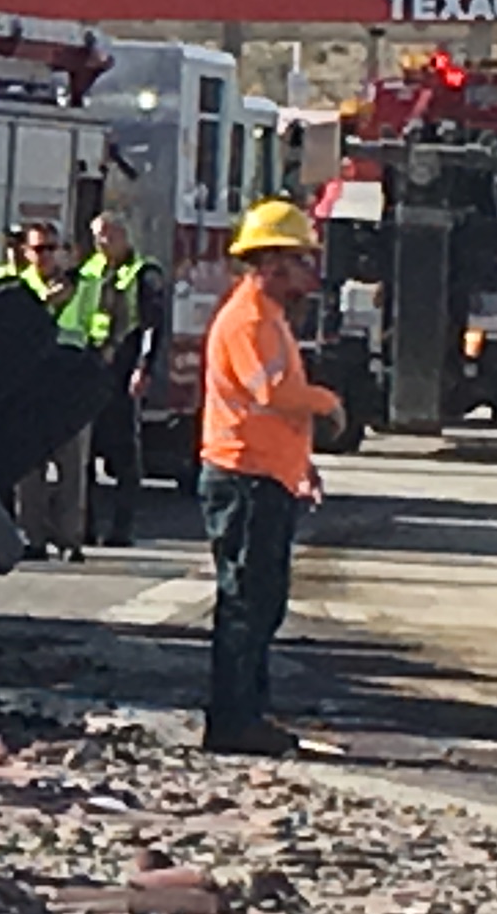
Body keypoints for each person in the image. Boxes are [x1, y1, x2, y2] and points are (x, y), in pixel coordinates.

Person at [199, 197, 340, 756]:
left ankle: (246, 715)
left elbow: (272, 409)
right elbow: (272, 393)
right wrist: (328, 402)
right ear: (274, 262)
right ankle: (234, 722)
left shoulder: (269, 317)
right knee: (245, 605)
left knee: (260, 603)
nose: (310, 272)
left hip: (261, 476)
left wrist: (300, 465)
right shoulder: (251, 319)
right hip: (243, 480)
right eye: (301, 260)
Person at [0, 225, 92, 558]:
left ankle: (70, 540)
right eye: (39, 249)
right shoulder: (13, 285)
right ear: (26, 252)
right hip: (28, 384)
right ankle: (34, 538)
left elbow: (94, 327)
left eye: (52, 249)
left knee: (72, 467)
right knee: (28, 468)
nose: (46, 256)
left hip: (70, 382)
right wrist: (43, 304)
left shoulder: (83, 286)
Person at [58, 210, 165, 547]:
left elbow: (152, 326)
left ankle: (122, 529)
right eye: (97, 236)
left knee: (124, 460)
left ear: (124, 235)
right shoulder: (86, 272)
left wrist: (143, 368)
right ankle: (85, 527)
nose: (102, 241)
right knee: (85, 457)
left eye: (108, 234)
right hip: (89, 372)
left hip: (123, 373)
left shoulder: (144, 274)